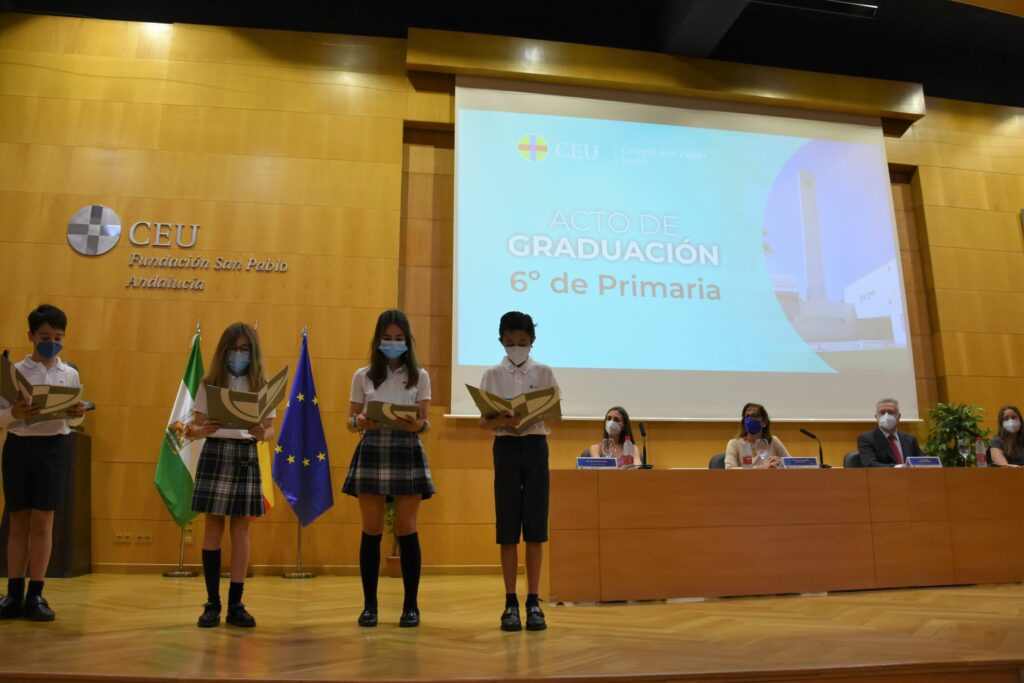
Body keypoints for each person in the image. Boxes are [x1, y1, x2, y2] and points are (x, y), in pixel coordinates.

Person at [343, 309, 433, 628]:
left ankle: (411, 607)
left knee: (408, 530)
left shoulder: (419, 375)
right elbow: (350, 421)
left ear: (407, 341)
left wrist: (417, 426)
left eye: (399, 339)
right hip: (372, 449)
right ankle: (370, 607)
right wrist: (361, 421)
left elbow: (425, 425)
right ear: (378, 340)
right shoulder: (363, 375)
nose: (393, 344)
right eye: (387, 338)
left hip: (406, 449)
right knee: (371, 530)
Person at [0, 305, 86, 622]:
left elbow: (72, 420)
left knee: (43, 523)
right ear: (31, 336)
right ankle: (13, 594)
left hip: (54, 448)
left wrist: (78, 414)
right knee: (18, 521)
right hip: (19, 447)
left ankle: (36, 594)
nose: (52, 343)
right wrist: (14, 415)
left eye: (58, 337)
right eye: (45, 337)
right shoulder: (13, 371)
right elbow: (2, 418)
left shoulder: (69, 374)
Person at [189, 322, 275, 628]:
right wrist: (202, 429)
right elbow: (194, 427)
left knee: (241, 531)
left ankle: (236, 604)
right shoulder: (209, 383)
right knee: (213, 528)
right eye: (233, 348)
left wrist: (261, 432)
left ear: (253, 352)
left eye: (244, 349)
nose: (238, 354)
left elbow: (269, 429)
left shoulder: (260, 384)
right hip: (215, 452)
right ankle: (212, 603)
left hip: (245, 454)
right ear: (223, 350)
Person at [478, 311, 558, 632]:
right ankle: (510, 602)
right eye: (510, 343)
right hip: (506, 448)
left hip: (536, 446)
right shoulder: (491, 374)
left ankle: (534, 601)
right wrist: (503, 419)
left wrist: (533, 412)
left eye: (522, 343)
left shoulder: (544, 371)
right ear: (501, 341)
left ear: (532, 341)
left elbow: (555, 413)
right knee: (508, 527)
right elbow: (483, 422)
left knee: (536, 527)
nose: (516, 349)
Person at [856, 397, 924, 467]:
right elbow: (870, 464)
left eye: (891, 412)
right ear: (876, 417)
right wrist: (900, 467)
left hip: (911, 477)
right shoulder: (867, 439)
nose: (886, 416)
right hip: (883, 477)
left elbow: (921, 460)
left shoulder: (910, 439)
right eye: (882, 412)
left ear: (899, 417)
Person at [724, 402, 789, 469]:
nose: (750, 419)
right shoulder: (735, 443)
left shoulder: (772, 441)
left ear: (764, 422)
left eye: (755, 416)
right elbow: (729, 469)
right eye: (747, 416)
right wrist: (761, 467)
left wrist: (780, 464)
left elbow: (790, 465)